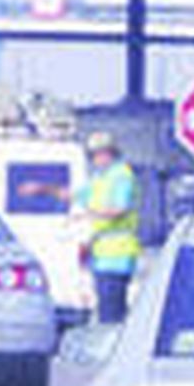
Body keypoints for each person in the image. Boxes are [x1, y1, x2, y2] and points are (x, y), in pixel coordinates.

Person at [76, 132, 142, 324]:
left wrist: (91, 214)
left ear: (110, 153)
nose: (96, 159)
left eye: (99, 154)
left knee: (112, 313)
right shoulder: (100, 178)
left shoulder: (121, 176)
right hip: (102, 254)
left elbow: (120, 209)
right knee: (106, 309)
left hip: (118, 254)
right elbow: (78, 197)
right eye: (93, 155)